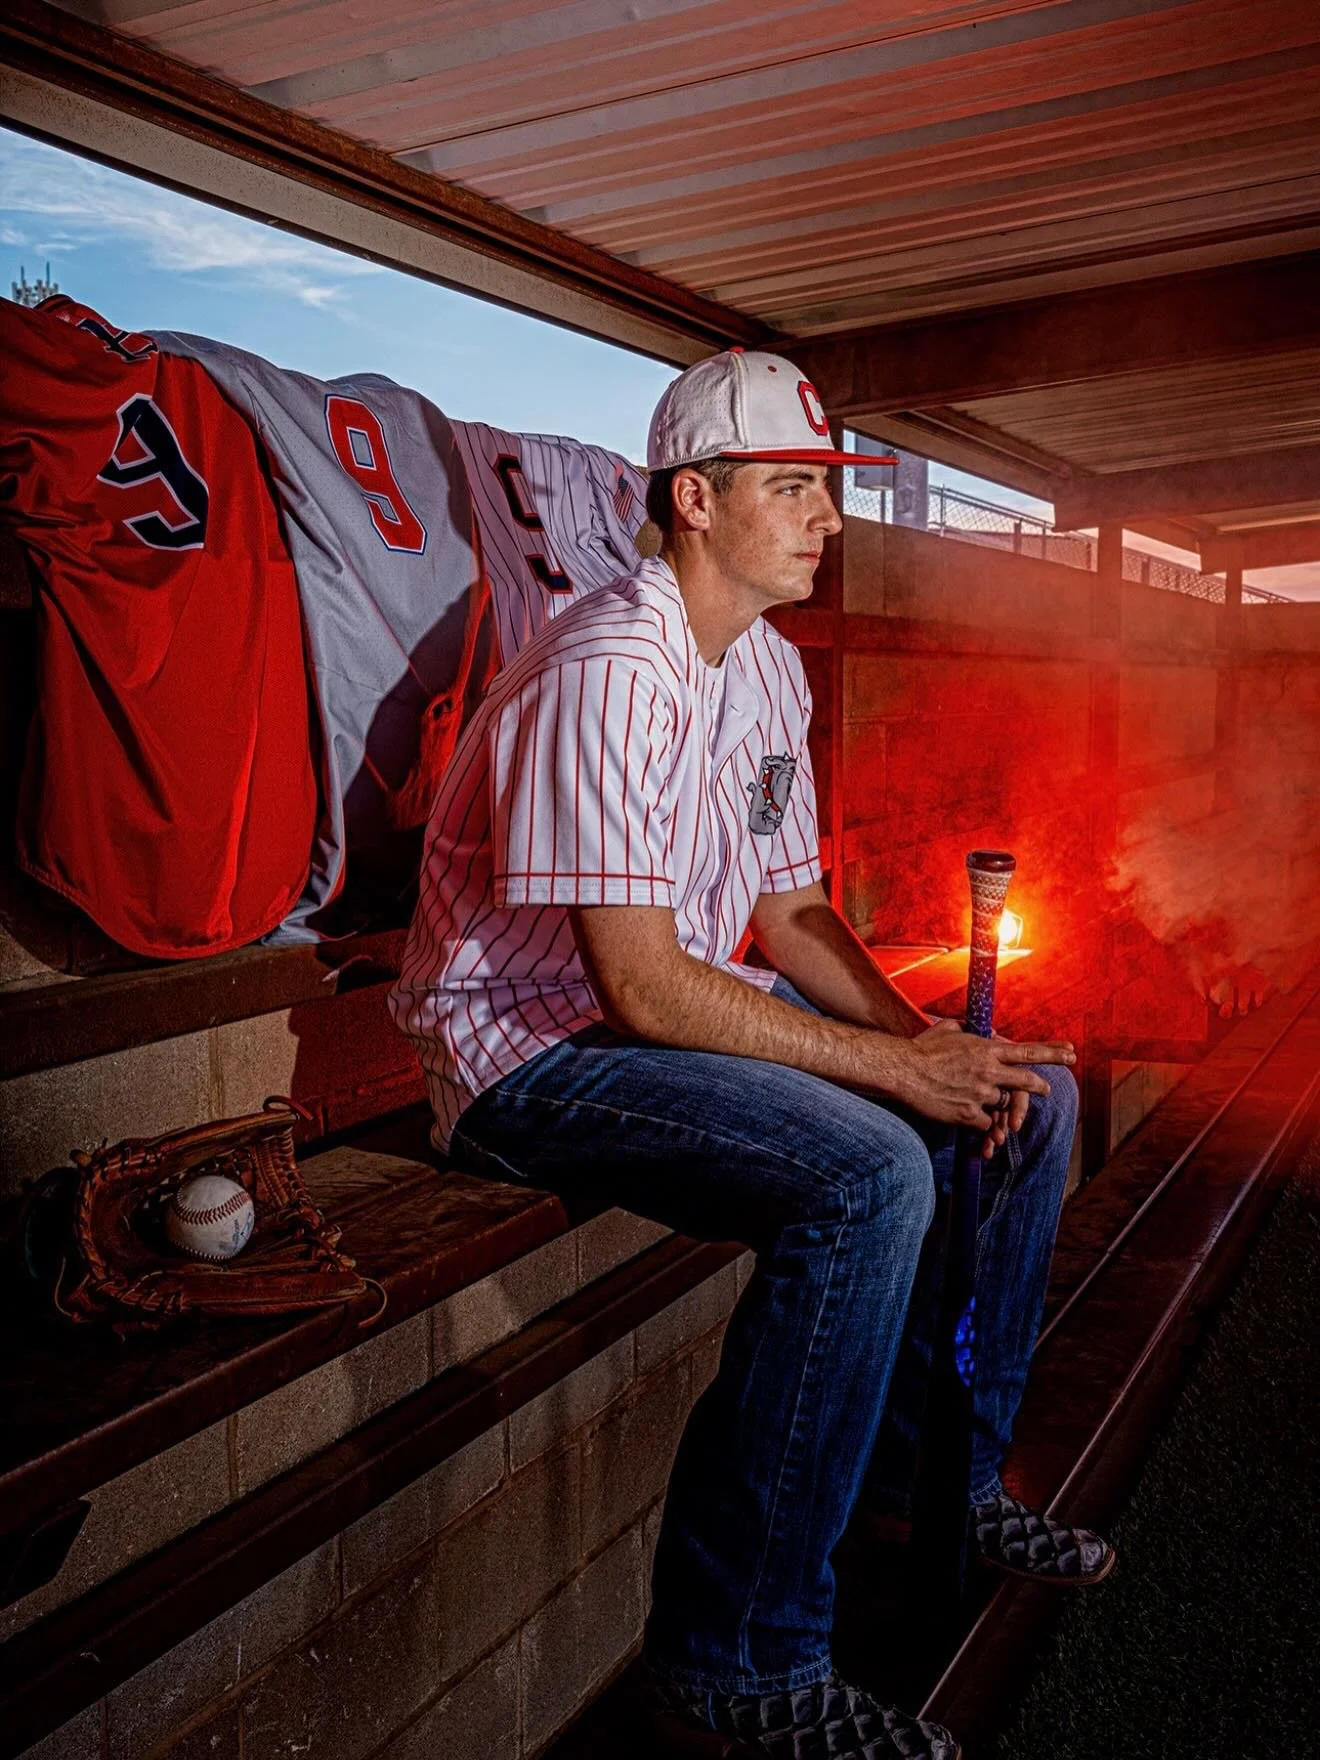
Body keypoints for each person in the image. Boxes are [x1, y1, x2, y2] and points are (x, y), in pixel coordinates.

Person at [391, 350, 1112, 1760]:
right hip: (522, 1058)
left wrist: (933, 1047)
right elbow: (642, 986)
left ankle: (944, 1472)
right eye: (793, 488)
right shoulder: (613, 663)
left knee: (1032, 1104)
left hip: (650, 1025)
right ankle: (741, 1655)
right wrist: (898, 1080)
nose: (827, 520)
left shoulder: (763, 669)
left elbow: (785, 912)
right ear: (697, 500)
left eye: (825, 492)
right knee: (871, 1177)